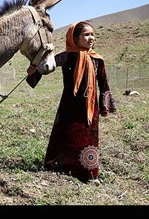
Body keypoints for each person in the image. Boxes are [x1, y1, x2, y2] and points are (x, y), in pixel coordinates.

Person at [26, 21, 116, 184]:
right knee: (64, 135)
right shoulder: (66, 56)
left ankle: (87, 172)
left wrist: (105, 105)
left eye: (92, 34)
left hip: (89, 108)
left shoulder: (98, 60)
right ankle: (58, 165)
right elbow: (46, 66)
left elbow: (104, 84)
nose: (91, 38)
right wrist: (34, 71)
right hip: (68, 106)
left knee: (87, 139)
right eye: (86, 35)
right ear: (75, 38)